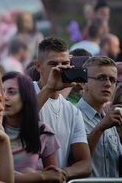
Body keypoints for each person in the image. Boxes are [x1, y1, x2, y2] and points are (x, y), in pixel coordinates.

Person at [34, 37, 92, 180]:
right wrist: (49, 88)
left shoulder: (72, 111)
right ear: (38, 66)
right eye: (53, 64)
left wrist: (63, 173)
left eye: (65, 63)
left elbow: (85, 163)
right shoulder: (23, 91)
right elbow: (21, 119)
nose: (60, 69)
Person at [2, 71, 63, 182]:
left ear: (26, 96)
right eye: (1, 92)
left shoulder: (43, 132)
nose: (4, 97)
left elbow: (54, 176)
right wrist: (37, 176)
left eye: (11, 92)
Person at [76, 56, 122, 177]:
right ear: (83, 83)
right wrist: (100, 128)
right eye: (101, 78)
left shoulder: (109, 118)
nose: (108, 84)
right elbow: (76, 161)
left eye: (112, 80)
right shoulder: (73, 115)